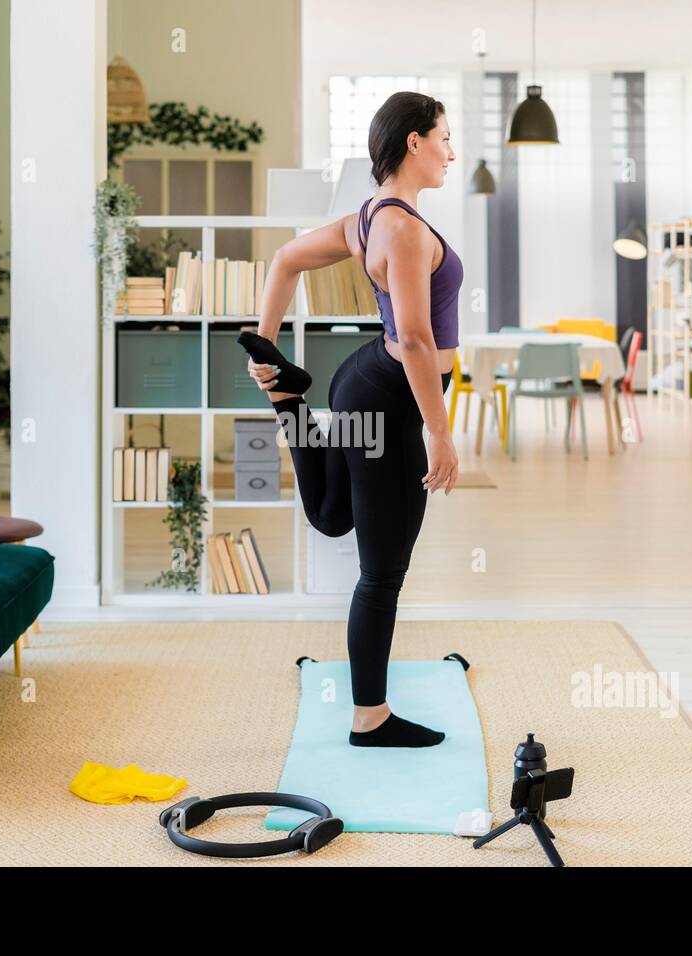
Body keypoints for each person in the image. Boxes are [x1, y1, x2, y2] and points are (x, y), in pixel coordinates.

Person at [236, 91, 462, 748]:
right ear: (414, 142)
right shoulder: (404, 229)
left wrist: (266, 341)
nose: (450, 152)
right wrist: (441, 434)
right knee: (382, 569)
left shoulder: (370, 218)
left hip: (362, 382)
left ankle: (288, 403)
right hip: (389, 397)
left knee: (334, 514)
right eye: (444, 138)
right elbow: (418, 341)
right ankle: (371, 719)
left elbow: (284, 260)